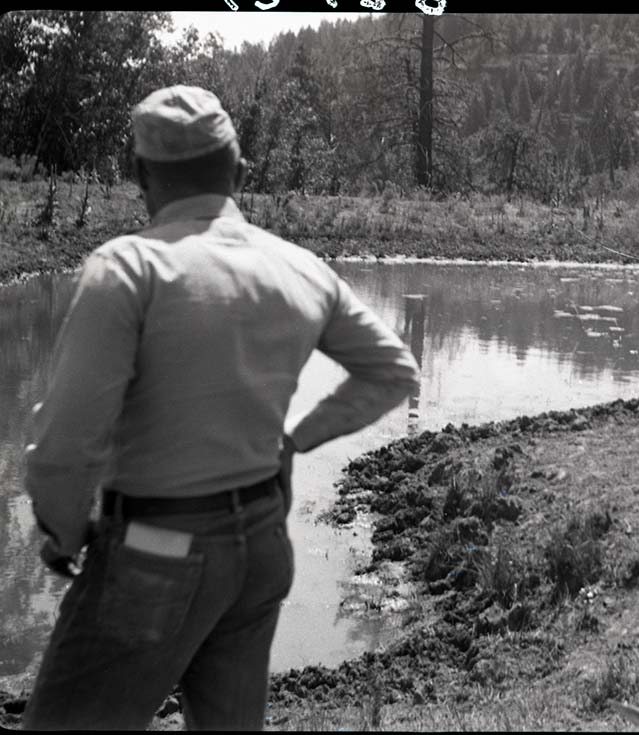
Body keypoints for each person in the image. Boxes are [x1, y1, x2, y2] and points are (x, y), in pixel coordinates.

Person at [21, 85, 420, 730]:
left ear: (140, 175)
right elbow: (393, 370)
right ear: (238, 172)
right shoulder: (300, 268)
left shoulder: (128, 269)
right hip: (260, 546)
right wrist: (293, 438)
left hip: (155, 551)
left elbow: (66, 447)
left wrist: (63, 533)